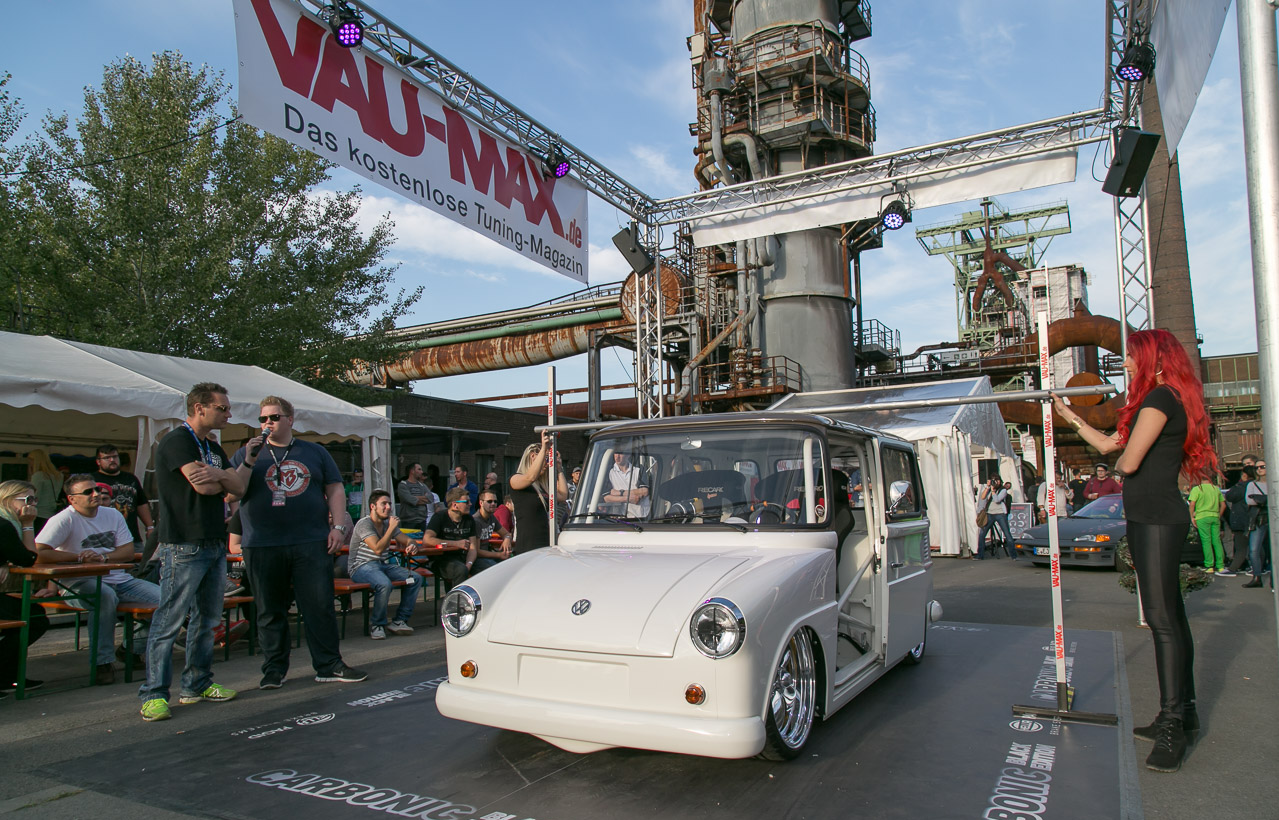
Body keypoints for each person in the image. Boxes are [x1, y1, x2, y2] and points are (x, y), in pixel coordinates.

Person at [1053, 328, 1217, 773]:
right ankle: (1184, 713)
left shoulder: (1160, 399)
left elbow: (1125, 461)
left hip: (1157, 518)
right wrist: (1068, 414)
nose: (1124, 363)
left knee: (1163, 620)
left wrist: (1124, 454)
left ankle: (1173, 723)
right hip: (1153, 516)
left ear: (1154, 359)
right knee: (1171, 617)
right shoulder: (1162, 399)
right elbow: (1108, 445)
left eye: (1130, 356)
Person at [232, 395, 366, 689]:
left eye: (274, 417)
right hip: (262, 543)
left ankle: (328, 664)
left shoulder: (314, 452)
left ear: (290, 420)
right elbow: (232, 492)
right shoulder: (247, 453)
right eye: (263, 418)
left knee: (319, 605)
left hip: (310, 540)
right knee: (269, 609)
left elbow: (335, 489)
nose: (268, 423)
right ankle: (274, 669)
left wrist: (338, 526)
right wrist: (249, 458)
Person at [138, 383, 245, 721]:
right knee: (169, 619)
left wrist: (219, 475)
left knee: (208, 619)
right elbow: (204, 486)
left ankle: (196, 684)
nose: (228, 414)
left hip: (213, 541)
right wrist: (221, 479)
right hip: (184, 542)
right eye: (222, 408)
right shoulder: (176, 441)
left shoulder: (212, 446)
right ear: (200, 408)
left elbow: (238, 487)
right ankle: (154, 694)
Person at [35, 474, 161, 685]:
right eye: (88, 492)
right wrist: (78, 558)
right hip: (78, 583)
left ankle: (130, 648)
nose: (95, 494)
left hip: (118, 579)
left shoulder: (113, 514)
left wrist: (103, 557)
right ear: (72, 499)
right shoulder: (63, 519)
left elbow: (127, 551)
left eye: (97, 490)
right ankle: (102, 662)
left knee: (167, 601)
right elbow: (39, 553)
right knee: (105, 596)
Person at [348, 490, 421, 640]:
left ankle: (399, 620)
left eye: (389, 504)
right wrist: (391, 529)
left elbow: (407, 539)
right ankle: (377, 624)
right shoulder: (364, 524)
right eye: (384, 504)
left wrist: (412, 545)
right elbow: (377, 549)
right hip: (361, 566)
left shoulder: (388, 524)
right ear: (373, 506)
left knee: (415, 578)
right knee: (384, 584)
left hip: (381, 565)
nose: (388, 507)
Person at [0, 481, 51, 694]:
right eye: (27, 500)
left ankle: (7, 675)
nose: (32, 505)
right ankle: (5, 675)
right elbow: (29, 559)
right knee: (34, 618)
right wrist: (28, 524)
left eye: (35, 499)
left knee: (29, 615)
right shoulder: (5, 525)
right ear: (7, 500)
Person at [508, 433, 569, 555]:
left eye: (548, 460)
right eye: (546, 459)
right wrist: (544, 448)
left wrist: (559, 469)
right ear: (532, 456)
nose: (547, 464)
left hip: (544, 539)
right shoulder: (516, 479)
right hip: (528, 542)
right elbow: (530, 477)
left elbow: (563, 496)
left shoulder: (542, 486)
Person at [90, 445, 155, 545]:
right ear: (98, 461)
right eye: (107, 458)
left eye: (115, 456)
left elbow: (141, 504)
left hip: (131, 537)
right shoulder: (91, 480)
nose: (112, 460)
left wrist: (150, 527)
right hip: (104, 538)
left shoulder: (131, 478)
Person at [421, 487, 479, 588]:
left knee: (489, 568)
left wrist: (469, 564)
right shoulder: (439, 517)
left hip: (464, 558)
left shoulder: (469, 519)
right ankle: (456, 597)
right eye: (466, 502)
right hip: (442, 559)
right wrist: (456, 543)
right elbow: (427, 540)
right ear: (455, 505)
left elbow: (473, 547)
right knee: (460, 570)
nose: (470, 504)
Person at [1223, 457, 1258, 575]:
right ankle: (1258, 566)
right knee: (1256, 546)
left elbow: (1230, 496)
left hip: (1241, 520)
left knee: (1241, 547)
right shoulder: (1256, 485)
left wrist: (1239, 484)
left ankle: (1233, 568)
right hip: (1253, 519)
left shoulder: (1242, 486)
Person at [1187, 477, 1226, 573]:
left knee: (1206, 541)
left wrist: (1192, 517)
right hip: (1215, 516)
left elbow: (1192, 504)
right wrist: (1218, 515)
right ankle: (1220, 565)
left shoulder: (1197, 489)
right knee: (1217, 541)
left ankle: (1209, 566)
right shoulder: (1216, 489)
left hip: (1202, 517)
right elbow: (1223, 505)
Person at [1241, 462, 1270, 589]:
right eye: (1256, 467)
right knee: (1253, 550)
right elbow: (1249, 501)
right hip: (1258, 518)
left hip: (1273, 517)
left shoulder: (1274, 482)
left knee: (1274, 550)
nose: (1259, 469)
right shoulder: (1252, 484)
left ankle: (1274, 579)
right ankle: (1257, 577)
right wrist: (1267, 499)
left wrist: (1259, 499)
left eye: (1262, 467)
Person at [470, 489, 512, 573]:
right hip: (477, 559)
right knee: (498, 570)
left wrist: (507, 539)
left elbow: (506, 533)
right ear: (481, 503)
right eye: (489, 501)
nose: (493, 504)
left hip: (489, 556)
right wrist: (499, 555)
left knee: (511, 565)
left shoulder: (492, 518)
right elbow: (477, 551)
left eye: (495, 501)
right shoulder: (476, 521)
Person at [604, 451, 650, 518]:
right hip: (624, 518)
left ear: (628, 455)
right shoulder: (609, 472)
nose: (617, 456)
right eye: (616, 453)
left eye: (620, 453)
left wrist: (619, 493)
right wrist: (628, 499)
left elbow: (645, 491)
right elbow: (606, 498)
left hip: (644, 516)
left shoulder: (639, 469)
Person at [976, 476, 1011, 559]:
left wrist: (993, 491)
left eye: (997, 481)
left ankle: (1013, 555)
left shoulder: (1003, 490)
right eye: (994, 481)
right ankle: (980, 555)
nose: (995, 482)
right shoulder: (990, 489)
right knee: (982, 534)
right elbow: (983, 497)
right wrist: (988, 487)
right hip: (990, 513)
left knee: (1007, 534)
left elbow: (997, 500)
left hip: (1000, 513)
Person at [397, 463, 436, 530]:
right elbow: (409, 499)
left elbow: (430, 498)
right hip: (408, 521)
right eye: (419, 469)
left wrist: (414, 497)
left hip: (422, 520)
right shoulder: (403, 485)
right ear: (412, 471)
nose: (422, 472)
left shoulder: (422, 485)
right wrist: (422, 498)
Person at [26, 450, 62, 520]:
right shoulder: (58, 476)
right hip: (51, 512)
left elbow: (35, 496)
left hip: (39, 513)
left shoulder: (38, 476)